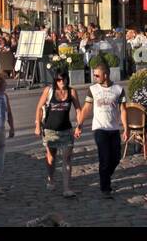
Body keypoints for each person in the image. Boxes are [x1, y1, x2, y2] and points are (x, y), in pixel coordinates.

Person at [75, 64, 125, 198]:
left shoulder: (118, 89)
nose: (95, 77)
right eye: (94, 75)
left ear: (106, 75)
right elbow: (86, 108)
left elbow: (123, 110)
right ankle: (105, 188)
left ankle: (105, 176)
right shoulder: (93, 89)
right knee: (105, 158)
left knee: (115, 158)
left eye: (97, 75)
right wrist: (79, 125)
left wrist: (126, 128)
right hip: (99, 128)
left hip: (114, 128)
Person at [34, 71, 80, 198]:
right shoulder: (49, 91)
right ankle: (51, 179)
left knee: (67, 159)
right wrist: (38, 125)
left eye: (64, 79)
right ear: (55, 80)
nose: (62, 82)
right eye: (59, 80)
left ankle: (67, 188)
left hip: (66, 130)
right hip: (50, 130)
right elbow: (39, 107)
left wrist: (79, 126)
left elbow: (78, 109)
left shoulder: (72, 92)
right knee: (51, 157)